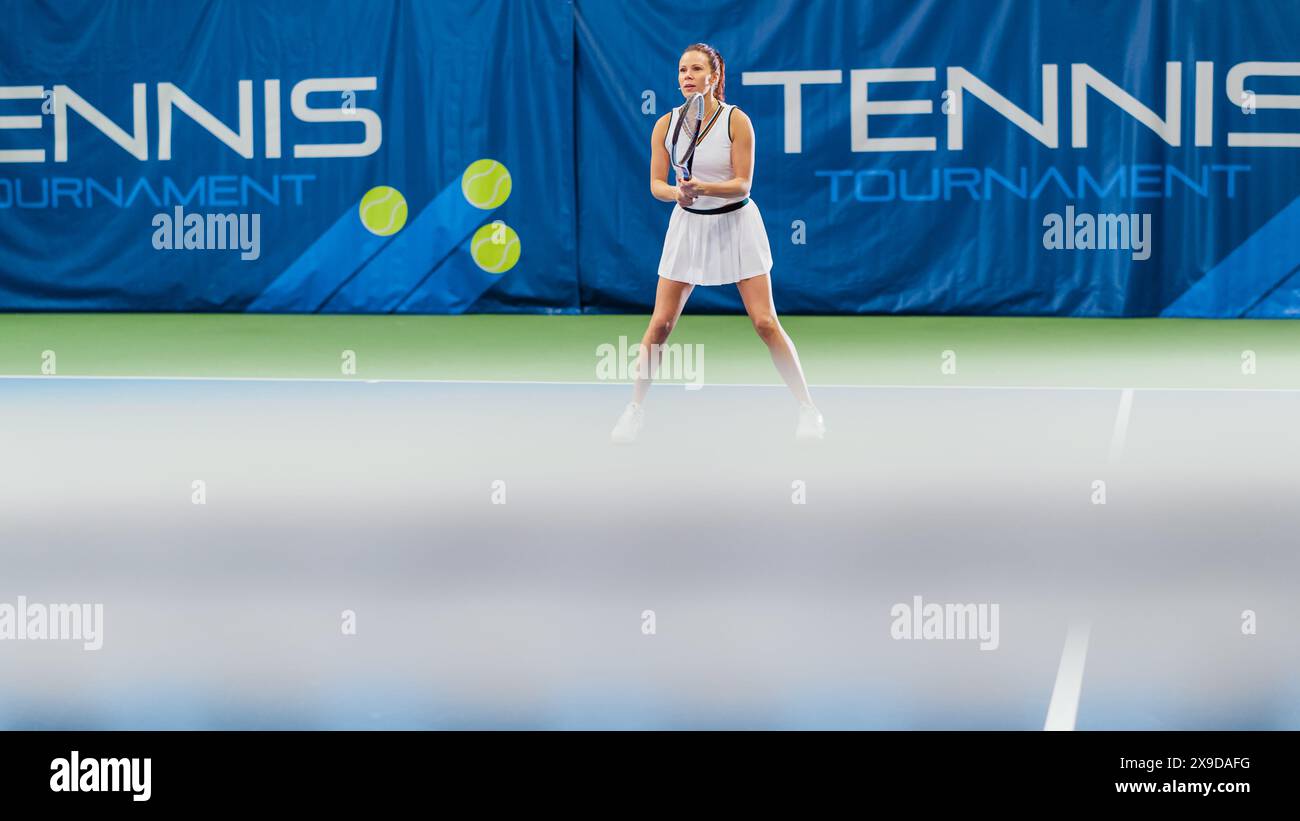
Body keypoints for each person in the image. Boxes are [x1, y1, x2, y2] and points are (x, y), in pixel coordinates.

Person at [610, 42, 825, 444]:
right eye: (681, 70)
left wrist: (703, 186)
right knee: (660, 325)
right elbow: (657, 183)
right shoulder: (665, 125)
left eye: (695, 69)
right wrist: (678, 194)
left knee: (764, 322)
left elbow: (743, 183)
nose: (686, 76)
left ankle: (808, 410)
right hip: (688, 226)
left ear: (714, 76)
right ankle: (634, 409)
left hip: (737, 224)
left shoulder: (736, 121)